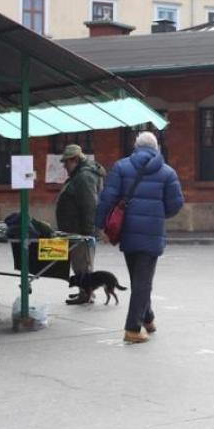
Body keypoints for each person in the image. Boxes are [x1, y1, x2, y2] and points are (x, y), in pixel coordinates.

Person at [94, 132, 184, 344]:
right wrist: (159, 214)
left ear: (136, 146)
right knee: (142, 281)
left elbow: (107, 198)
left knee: (139, 279)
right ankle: (133, 329)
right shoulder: (167, 172)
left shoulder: (121, 167)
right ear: (156, 148)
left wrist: (100, 226)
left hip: (127, 230)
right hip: (152, 232)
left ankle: (148, 318)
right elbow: (176, 204)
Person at [55, 144, 103, 305]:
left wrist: (88, 234)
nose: (64, 166)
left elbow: (90, 205)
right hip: (76, 229)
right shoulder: (81, 174)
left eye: (66, 162)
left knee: (83, 263)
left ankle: (87, 294)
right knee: (79, 263)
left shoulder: (84, 176)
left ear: (75, 160)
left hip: (81, 230)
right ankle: (84, 291)